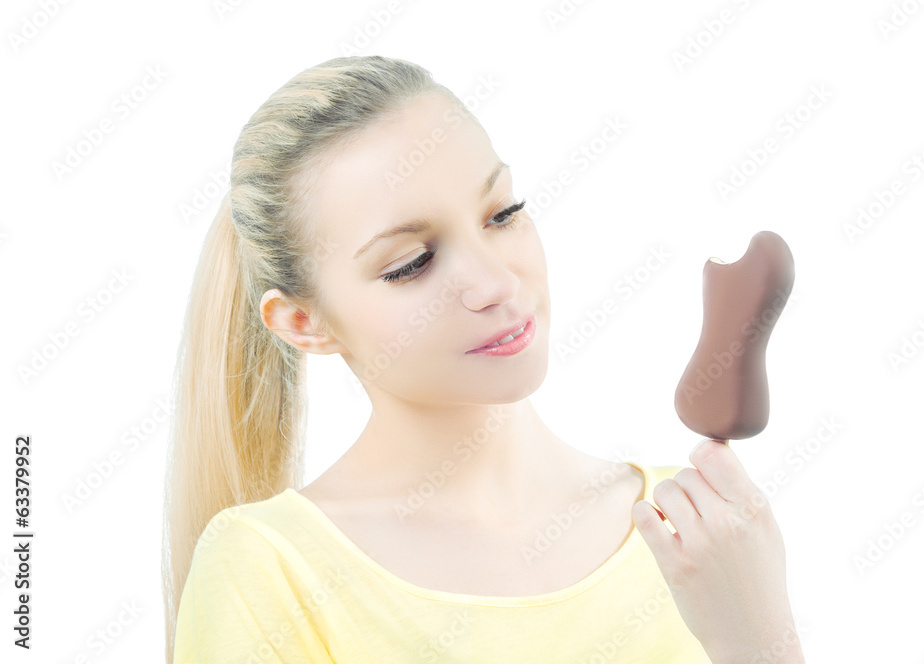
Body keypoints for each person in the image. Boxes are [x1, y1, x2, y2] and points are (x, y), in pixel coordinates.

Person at [161, 55, 805, 664]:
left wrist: (757, 638)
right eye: (411, 264)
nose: (497, 282)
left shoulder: (698, 529)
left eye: (503, 214)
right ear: (304, 323)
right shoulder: (270, 567)